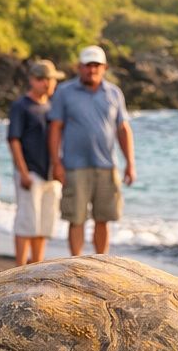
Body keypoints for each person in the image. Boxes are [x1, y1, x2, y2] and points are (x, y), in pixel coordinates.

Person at [47, 45, 136, 256]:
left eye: (96, 65)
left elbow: (123, 129)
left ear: (104, 67)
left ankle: (100, 262)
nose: (92, 70)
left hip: (106, 165)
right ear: (79, 67)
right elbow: (55, 128)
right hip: (74, 167)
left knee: (103, 218)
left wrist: (130, 163)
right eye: (88, 66)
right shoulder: (65, 92)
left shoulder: (114, 93)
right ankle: (76, 264)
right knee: (76, 218)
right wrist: (56, 163)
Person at [7, 59, 64, 265]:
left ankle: (37, 266)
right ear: (32, 80)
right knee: (26, 222)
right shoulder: (21, 106)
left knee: (44, 224)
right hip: (29, 170)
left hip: (50, 172)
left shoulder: (53, 106)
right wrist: (22, 171)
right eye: (41, 79)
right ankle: (19, 268)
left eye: (50, 80)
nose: (47, 84)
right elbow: (14, 140)